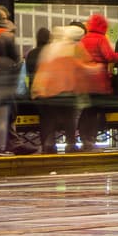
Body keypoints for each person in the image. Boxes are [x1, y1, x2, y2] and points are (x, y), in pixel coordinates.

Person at [30, 25, 86, 154]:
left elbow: (43, 70)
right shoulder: (73, 49)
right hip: (68, 91)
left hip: (49, 92)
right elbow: (79, 70)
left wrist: (37, 90)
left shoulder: (49, 50)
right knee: (69, 119)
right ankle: (70, 145)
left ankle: (49, 145)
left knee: (49, 119)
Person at [78, 12, 118, 152]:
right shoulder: (100, 39)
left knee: (86, 112)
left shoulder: (84, 39)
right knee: (95, 113)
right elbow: (109, 56)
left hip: (84, 82)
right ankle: (90, 142)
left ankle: (85, 140)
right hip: (98, 82)